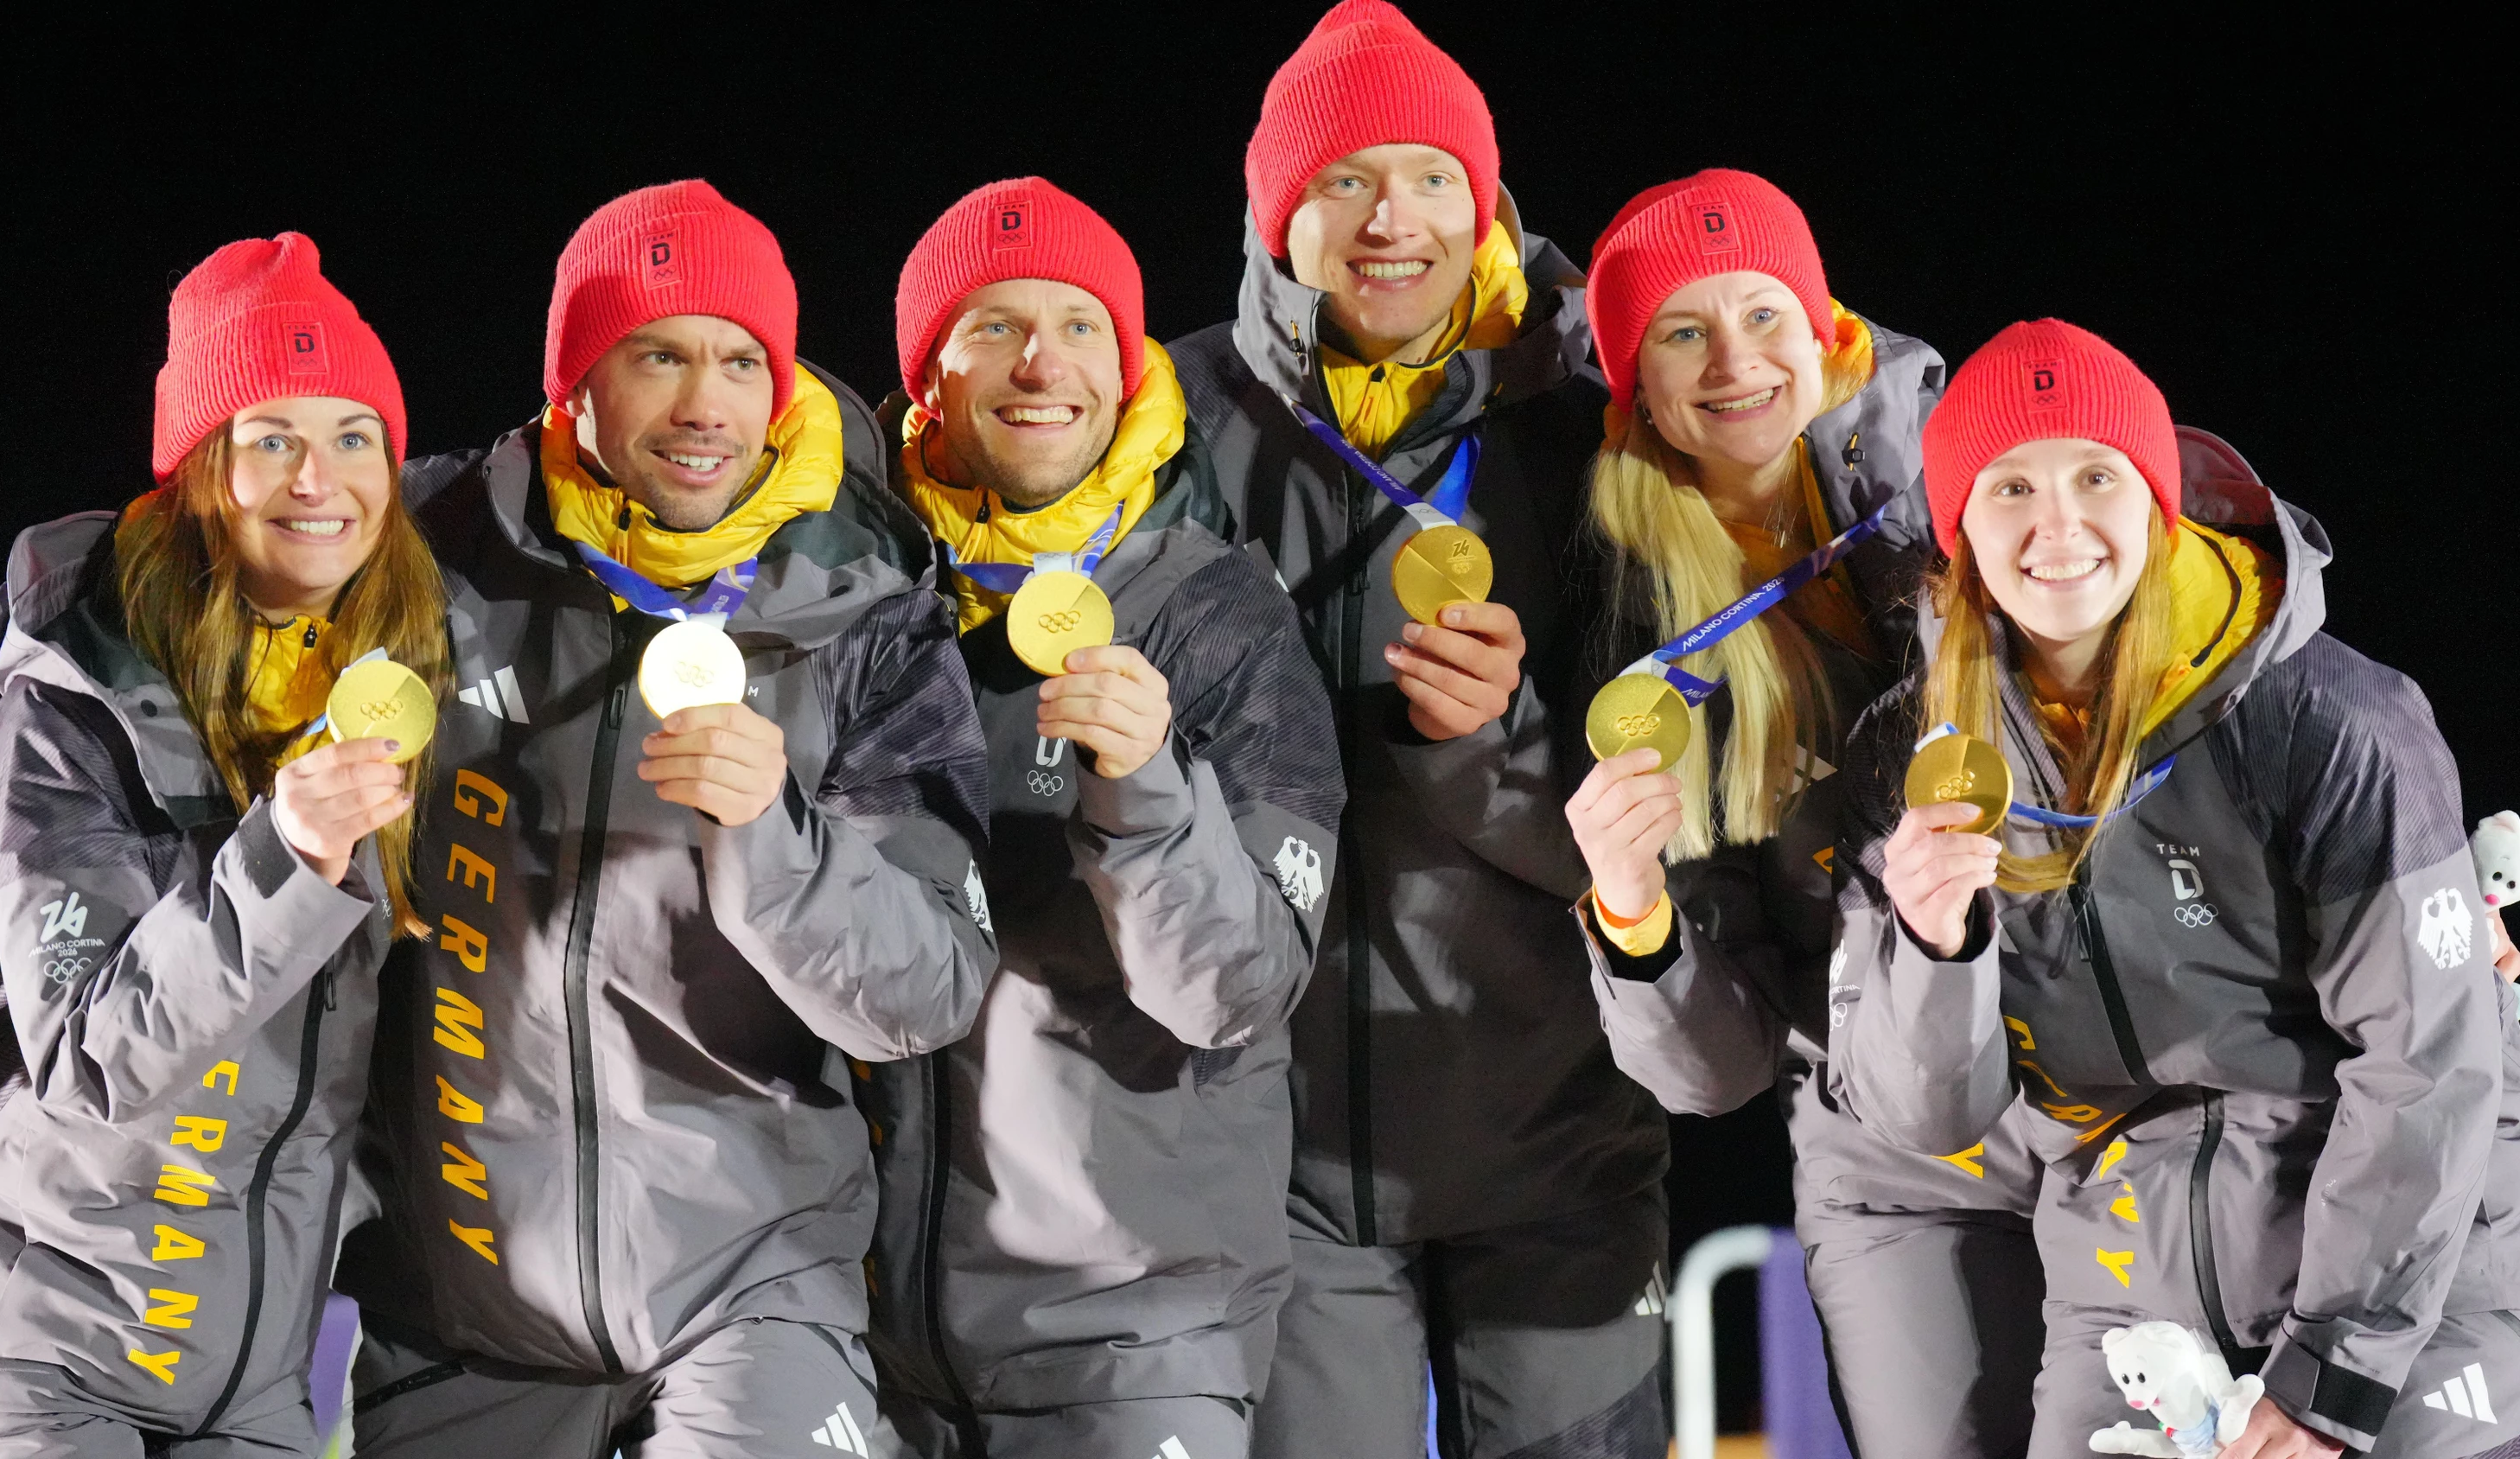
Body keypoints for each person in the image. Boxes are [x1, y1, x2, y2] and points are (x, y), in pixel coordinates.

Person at [331, 181, 997, 1458]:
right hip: (464, 1301)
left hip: (753, 1287)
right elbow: (193, 640)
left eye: (743, 359)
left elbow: (926, 988)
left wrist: (774, 839)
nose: (705, 404)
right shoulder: (429, 554)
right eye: (657, 355)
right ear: (574, 384)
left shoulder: (869, 610)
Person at [1827, 319, 2520, 1457]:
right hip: (2129, 1272)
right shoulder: (1911, 759)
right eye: (2009, 486)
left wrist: (2331, 1385)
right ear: (1958, 529)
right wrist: (1935, 946)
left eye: (2095, 475)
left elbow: (2428, 1064)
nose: (2057, 523)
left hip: (2406, 1270)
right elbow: (1926, 1116)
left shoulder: (2332, 720)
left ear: (2158, 502)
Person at [1168, 5, 1669, 1452]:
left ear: (1485, 200)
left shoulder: (1592, 431)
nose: (1393, 219)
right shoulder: (1174, 418)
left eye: (1433, 177)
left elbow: (1674, 804)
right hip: (1283, 1161)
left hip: (1559, 1141)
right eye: (1343, 181)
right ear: (1278, 218)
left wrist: (1506, 739)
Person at [1557, 170, 2044, 1458]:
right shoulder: (1637, 631)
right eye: (1682, 331)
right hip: (1889, 1142)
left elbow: (2184, 637)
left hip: (2101, 1070)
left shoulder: (1975, 460)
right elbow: (1714, 1071)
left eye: (1764, 312)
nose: (1735, 362)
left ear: (1823, 324)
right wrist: (1632, 915)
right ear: (1637, 387)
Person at [861, 175, 1342, 1459]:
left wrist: (1144, 798)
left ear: (1129, 371)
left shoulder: (1222, 617)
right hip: (857, 1333)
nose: (1041, 362)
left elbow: (1238, 988)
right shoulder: (853, 604)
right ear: (929, 376)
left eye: (1081, 326)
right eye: (994, 325)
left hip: (1135, 1339)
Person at [0, 234, 445, 1456]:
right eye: (269, 437)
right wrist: (285, 854)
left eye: (352, 436)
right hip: (42, 1362)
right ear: (195, 472)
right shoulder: (69, 716)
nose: (317, 479)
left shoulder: (414, 685)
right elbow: (91, 1059)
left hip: (260, 1387)